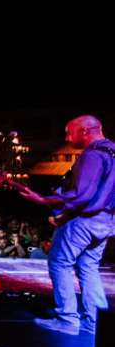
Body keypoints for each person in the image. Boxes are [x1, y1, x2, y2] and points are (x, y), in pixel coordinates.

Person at [16, 115, 115, 335]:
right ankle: (96, 323)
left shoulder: (93, 155)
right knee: (88, 267)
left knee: (60, 262)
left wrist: (43, 200)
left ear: (86, 131)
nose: (67, 137)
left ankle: (67, 319)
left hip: (84, 220)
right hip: (107, 221)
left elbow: (81, 195)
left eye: (70, 132)